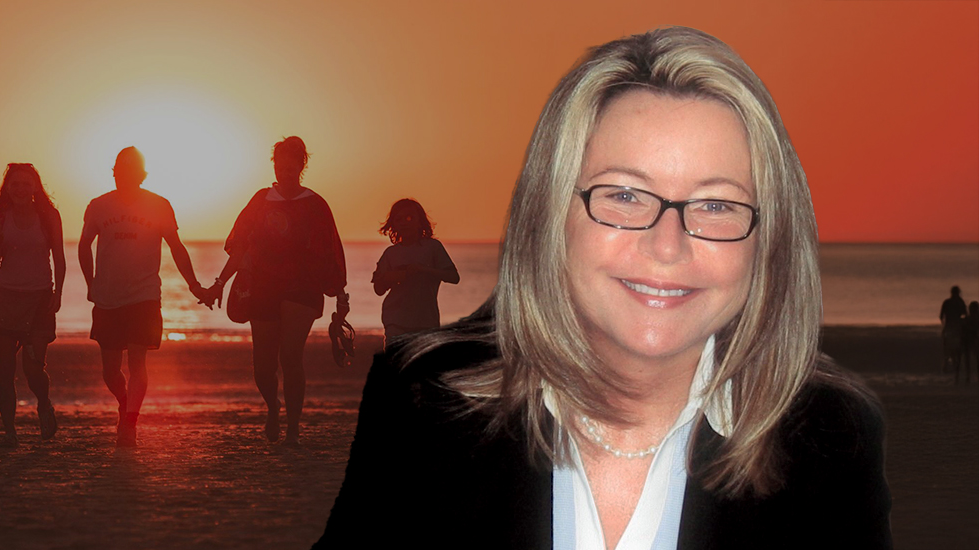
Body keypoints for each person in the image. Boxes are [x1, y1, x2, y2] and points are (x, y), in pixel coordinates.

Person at [316, 27, 891, 549]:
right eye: (623, 194)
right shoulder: (421, 405)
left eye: (716, 204)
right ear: (550, 214)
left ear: (768, 239)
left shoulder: (830, 438)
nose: (668, 246)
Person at [207, 136, 349, 446]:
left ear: (302, 165)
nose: (285, 170)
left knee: (290, 355)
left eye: (291, 165)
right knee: (263, 365)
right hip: (262, 286)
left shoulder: (315, 204)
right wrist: (219, 282)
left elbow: (330, 251)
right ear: (274, 165)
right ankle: (273, 407)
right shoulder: (260, 201)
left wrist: (339, 295)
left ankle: (294, 428)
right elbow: (240, 246)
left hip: (303, 287)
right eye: (279, 165)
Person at [78, 146, 208, 448]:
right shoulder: (99, 206)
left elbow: (176, 246)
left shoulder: (159, 205)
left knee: (138, 362)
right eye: (119, 170)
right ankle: (124, 404)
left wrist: (193, 284)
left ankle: (131, 422)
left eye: (131, 170)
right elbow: (84, 245)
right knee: (110, 371)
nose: (124, 175)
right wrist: (91, 283)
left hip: (144, 295)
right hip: (107, 297)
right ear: (113, 173)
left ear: (141, 174)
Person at [0, 163, 65, 448]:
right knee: (4, 370)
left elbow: (59, 256)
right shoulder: (1, 215)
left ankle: (44, 404)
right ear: (7, 188)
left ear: (35, 188)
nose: (20, 189)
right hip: (6, 297)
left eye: (26, 184)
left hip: (40, 297)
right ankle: (10, 432)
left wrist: (58, 293)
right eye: (14, 184)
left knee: (32, 368)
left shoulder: (48, 216)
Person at [372, 198, 459, 344]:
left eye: (409, 217)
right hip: (395, 320)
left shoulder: (433, 247)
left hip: (425, 321)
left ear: (420, 222)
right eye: (398, 219)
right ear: (393, 224)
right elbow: (378, 289)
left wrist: (424, 269)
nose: (404, 222)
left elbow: (453, 277)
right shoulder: (390, 253)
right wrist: (396, 276)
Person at [940, 285, 967, 380]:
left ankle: (948, 364)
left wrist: (943, 325)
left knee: (947, 347)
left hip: (949, 327)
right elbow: (965, 315)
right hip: (957, 328)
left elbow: (941, 316)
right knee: (957, 348)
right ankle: (954, 365)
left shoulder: (947, 302)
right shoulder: (960, 302)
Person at [963, 301, 979, 384]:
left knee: (968, 359)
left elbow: (963, 330)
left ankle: (968, 377)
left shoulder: (966, 319)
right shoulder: (976, 319)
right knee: (976, 359)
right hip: (975, 340)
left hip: (968, 340)